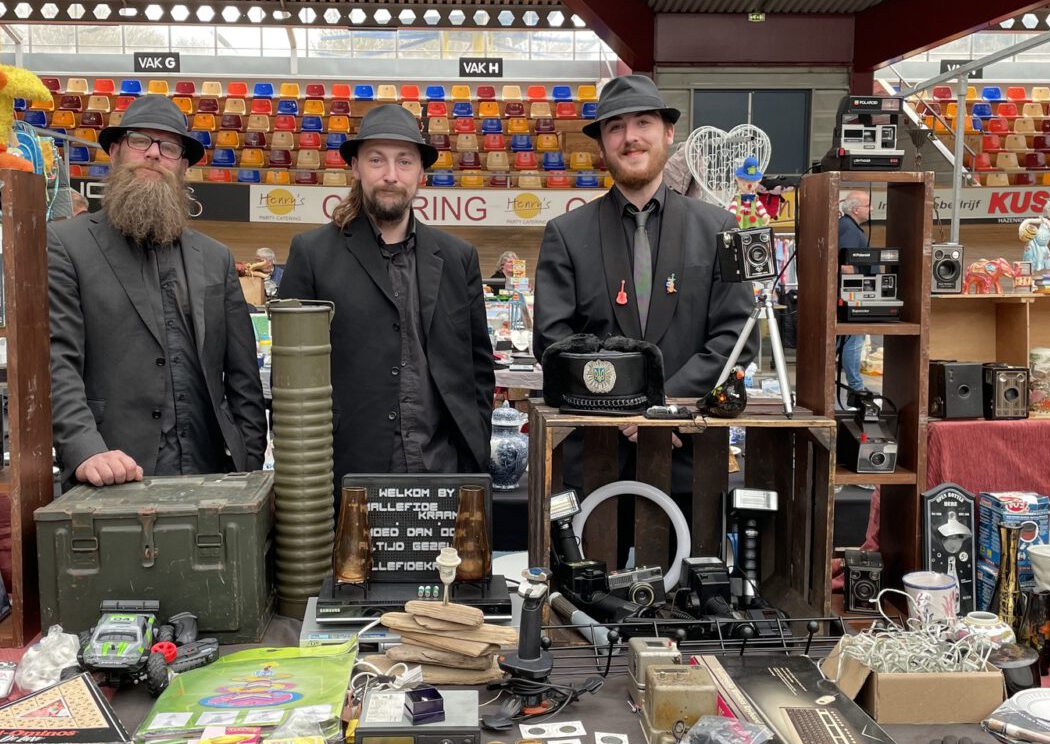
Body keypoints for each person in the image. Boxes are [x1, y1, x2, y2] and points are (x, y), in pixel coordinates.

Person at [48, 94, 267, 487]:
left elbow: (243, 378)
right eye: (139, 141)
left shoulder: (216, 257)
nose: (153, 154)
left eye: (168, 147)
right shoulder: (66, 245)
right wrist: (86, 449)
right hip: (112, 470)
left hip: (211, 475)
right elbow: (57, 360)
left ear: (182, 166)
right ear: (114, 151)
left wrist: (249, 464)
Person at [279, 104, 495, 490]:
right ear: (356, 167)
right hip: (348, 472)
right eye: (376, 160)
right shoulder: (312, 254)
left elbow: (478, 367)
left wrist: (474, 442)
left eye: (404, 161)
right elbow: (291, 378)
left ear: (421, 173)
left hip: (442, 468)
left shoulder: (458, 258)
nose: (391, 175)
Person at [535, 74, 754, 406]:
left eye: (643, 123)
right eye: (615, 128)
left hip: (689, 439)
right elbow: (553, 341)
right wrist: (619, 398)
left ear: (668, 133)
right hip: (597, 437)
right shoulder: (565, 234)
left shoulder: (720, 228)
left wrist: (668, 402)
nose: (630, 137)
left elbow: (738, 335)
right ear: (601, 145)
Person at [837, 190, 873, 408]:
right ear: (856, 209)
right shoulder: (849, 229)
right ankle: (856, 387)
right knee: (854, 339)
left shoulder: (848, 227)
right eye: (868, 205)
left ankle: (855, 386)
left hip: (851, 293)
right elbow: (845, 262)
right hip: (851, 294)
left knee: (849, 340)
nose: (872, 209)